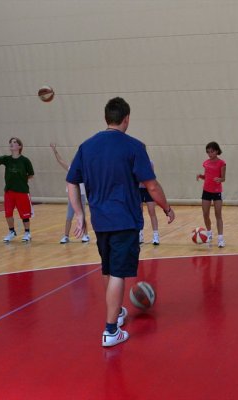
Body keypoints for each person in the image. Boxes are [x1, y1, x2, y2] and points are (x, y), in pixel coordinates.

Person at [66, 97, 175, 347]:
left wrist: (80, 214)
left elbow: (71, 181)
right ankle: (110, 330)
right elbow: (151, 186)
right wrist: (167, 208)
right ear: (126, 119)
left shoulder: (86, 146)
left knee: (107, 269)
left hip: (100, 221)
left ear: (106, 118)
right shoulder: (134, 146)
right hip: (125, 219)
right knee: (118, 273)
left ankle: (117, 312)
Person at [0, 138, 34, 242]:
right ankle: (12, 232)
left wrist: (22, 179)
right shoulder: (6, 159)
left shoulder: (25, 160)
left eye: (14, 142)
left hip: (22, 191)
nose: (11, 144)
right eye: (10, 142)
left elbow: (31, 175)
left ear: (20, 146)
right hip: (9, 191)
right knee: (8, 213)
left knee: (25, 214)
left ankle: (27, 233)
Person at [50, 143, 90, 244]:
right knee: (69, 216)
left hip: (81, 196)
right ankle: (66, 236)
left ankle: (85, 235)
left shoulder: (84, 171)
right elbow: (60, 160)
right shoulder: (70, 169)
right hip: (72, 197)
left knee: (82, 215)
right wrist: (55, 150)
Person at [196, 142, 226, 247]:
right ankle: (209, 233)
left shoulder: (222, 163)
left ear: (217, 151)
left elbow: (223, 178)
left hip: (217, 191)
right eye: (208, 152)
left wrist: (219, 179)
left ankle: (220, 239)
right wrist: (201, 176)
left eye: (212, 151)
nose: (210, 154)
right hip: (206, 191)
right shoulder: (206, 163)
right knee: (205, 213)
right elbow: (207, 176)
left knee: (218, 214)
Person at [139, 160, 160, 245]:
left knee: (152, 211)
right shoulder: (134, 162)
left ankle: (155, 235)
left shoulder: (150, 163)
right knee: (139, 212)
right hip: (138, 189)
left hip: (148, 190)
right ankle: (140, 234)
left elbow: (150, 177)